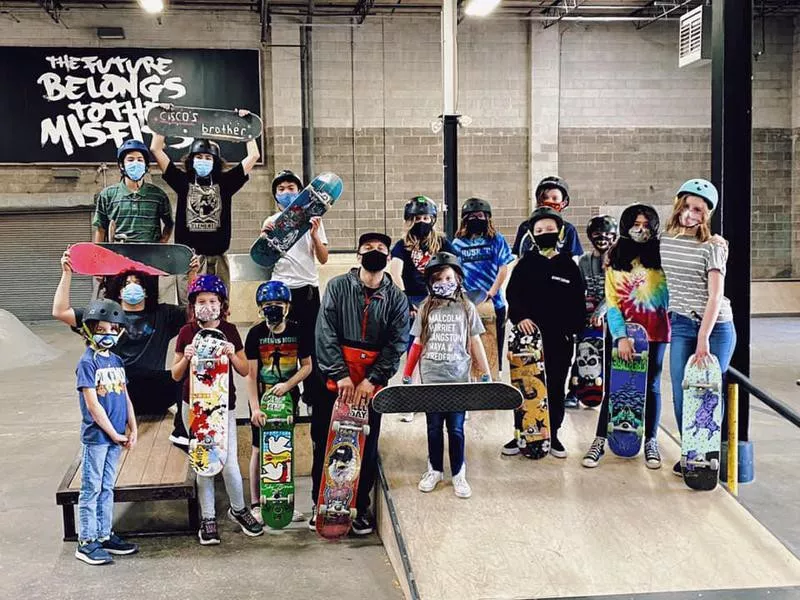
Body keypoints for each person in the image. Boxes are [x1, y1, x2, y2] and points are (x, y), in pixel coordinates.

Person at [313, 232, 409, 535]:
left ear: (389, 258)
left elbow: (397, 344)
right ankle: (321, 502)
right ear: (358, 255)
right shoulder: (337, 287)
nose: (375, 252)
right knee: (324, 441)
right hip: (334, 378)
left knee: (365, 446)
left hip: (371, 384)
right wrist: (339, 374)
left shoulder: (398, 298)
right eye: (368, 248)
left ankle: (360, 507)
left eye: (381, 249)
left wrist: (372, 380)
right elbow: (324, 331)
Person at [53, 248, 199, 444]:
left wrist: (192, 275)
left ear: (146, 290)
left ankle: (182, 432)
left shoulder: (164, 314)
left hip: (154, 392)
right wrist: (67, 273)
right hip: (116, 394)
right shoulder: (103, 314)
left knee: (188, 367)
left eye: (137, 283)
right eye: (127, 283)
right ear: (119, 291)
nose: (132, 287)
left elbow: (195, 313)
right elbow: (60, 311)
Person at [171, 275, 263, 544]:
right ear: (193, 305)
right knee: (203, 463)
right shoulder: (186, 333)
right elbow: (175, 375)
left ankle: (239, 509)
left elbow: (245, 370)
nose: (207, 306)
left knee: (229, 464)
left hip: (224, 407)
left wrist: (233, 353)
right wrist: (186, 358)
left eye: (213, 301)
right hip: (196, 407)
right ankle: (208, 518)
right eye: (201, 301)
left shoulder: (231, 330)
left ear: (222, 304)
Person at [581, 204, 670, 470]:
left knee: (651, 387)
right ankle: (600, 439)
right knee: (616, 385)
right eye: (635, 224)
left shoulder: (662, 255)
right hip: (624, 332)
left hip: (656, 332)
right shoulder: (615, 258)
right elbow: (612, 301)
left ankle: (650, 441)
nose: (640, 229)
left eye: (646, 224)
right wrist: (620, 336)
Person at [661, 179, 736, 476]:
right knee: (683, 393)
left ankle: (709, 454)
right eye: (687, 206)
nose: (690, 214)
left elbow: (716, 295)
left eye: (698, 210)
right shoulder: (666, 240)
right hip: (680, 324)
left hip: (716, 328)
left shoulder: (713, 246)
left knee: (707, 396)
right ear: (678, 205)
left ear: (706, 214)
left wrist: (703, 336)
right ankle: (691, 451)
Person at [401, 252, 491, 499]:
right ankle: (435, 470)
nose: (444, 282)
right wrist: (408, 374)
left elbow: (475, 342)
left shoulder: (466, 307)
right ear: (430, 282)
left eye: (448, 277)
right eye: (438, 279)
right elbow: (417, 343)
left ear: (458, 279)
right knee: (432, 428)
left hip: (458, 378)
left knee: (456, 429)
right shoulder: (425, 308)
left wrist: (485, 372)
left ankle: (459, 473)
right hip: (431, 378)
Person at [505, 207, 586, 458]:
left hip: (558, 340)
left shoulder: (569, 265)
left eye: (550, 229)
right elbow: (512, 295)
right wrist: (520, 318)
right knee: (526, 386)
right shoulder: (525, 264)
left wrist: (571, 330)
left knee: (554, 387)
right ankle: (524, 432)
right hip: (528, 340)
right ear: (532, 234)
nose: (545, 233)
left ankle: (554, 433)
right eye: (539, 230)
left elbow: (578, 301)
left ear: (559, 232)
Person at [151, 128, 260, 301]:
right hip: (189, 260)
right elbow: (156, 150)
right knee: (190, 309)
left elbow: (253, 156)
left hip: (217, 260)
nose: (203, 161)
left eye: (208, 158)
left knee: (219, 308)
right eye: (199, 157)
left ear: (215, 162)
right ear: (191, 160)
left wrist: (247, 130)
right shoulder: (182, 181)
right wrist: (161, 123)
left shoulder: (225, 183)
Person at [73, 299, 139, 565]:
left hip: (115, 438)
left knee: (108, 487)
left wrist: (133, 426)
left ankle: (103, 534)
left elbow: (125, 395)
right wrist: (114, 433)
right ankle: (86, 541)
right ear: (89, 330)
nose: (108, 334)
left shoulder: (116, 360)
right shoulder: (87, 363)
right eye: (102, 329)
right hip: (98, 438)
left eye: (113, 329)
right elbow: (92, 405)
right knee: (92, 488)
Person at [260, 169, 329, 411]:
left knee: (310, 346)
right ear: (275, 196)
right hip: (281, 291)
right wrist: (264, 238)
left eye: (291, 188)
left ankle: (312, 397)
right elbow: (263, 259)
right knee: (284, 345)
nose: (287, 193)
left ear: (300, 193)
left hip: (308, 290)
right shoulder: (271, 222)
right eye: (281, 189)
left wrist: (315, 236)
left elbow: (323, 259)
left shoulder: (315, 221)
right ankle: (288, 396)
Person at [245, 280, 313, 523]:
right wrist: (254, 408)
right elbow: (251, 375)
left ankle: (284, 500)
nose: (272, 308)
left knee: (284, 448)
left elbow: (307, 367)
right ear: (260, 308)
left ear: (287, 306)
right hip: (261, 399)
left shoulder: (298, 331)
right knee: (258, 448)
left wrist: (288, 385)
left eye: (278, 304)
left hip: (287, 398)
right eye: (267, 304)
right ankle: (256, 503)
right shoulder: (255, 334)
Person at [389, 195, 454, 422]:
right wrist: (406, 300)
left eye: (426, 217)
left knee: (444, 351)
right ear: (410, 220)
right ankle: (411, 400)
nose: (422, 221)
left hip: (438, 298)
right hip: (413, 301)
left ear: (433, 219)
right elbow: (395, 272)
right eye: (417, 218)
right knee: (413, 352)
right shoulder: (401, 245)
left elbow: (454, 269)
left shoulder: (443, 243)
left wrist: (445, 298)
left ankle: (452, 402)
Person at [451, 198, 515, 373]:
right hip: (469, 301)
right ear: (465, 220)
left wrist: (491, 292)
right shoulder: (458, 244)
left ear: (487, 217)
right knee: (470, 344)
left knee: (494, 344)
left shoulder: (496, 240)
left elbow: (503, 268)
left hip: (495, 302)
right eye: (471, 217)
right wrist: (463, 293)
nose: (476, 219)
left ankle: (496, 375)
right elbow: (455, 272)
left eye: (479, 216)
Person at [565, 215, 619, 409]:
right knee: (583, 353)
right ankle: (574, 392)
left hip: (613, 314)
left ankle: (612, 392)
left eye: (608, 234)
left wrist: (601, 311)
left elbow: (616, 291)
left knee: (610, 356)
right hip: (590, 315)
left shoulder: (618, 260)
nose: (602, 238)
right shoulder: (585, 261)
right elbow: (579, 289)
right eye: (597, 234)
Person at [93, 139, 173, 244]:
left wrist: (161, 244)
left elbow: (169, 224)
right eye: (130, 160)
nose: (135, 163)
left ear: (146, 165)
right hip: (119, 254)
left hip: (149, 256)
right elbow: (100, 229)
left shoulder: (158, 195)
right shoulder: (107, 195)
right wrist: (98, 255)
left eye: (140, 160)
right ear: (122, 165)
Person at [511, 176, 583, 258]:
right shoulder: (525, 227)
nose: (549, 201)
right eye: (545, 197)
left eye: (555, 198)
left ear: (563, 203)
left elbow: (574, 259)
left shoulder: (568, 229)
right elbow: (518, 256)